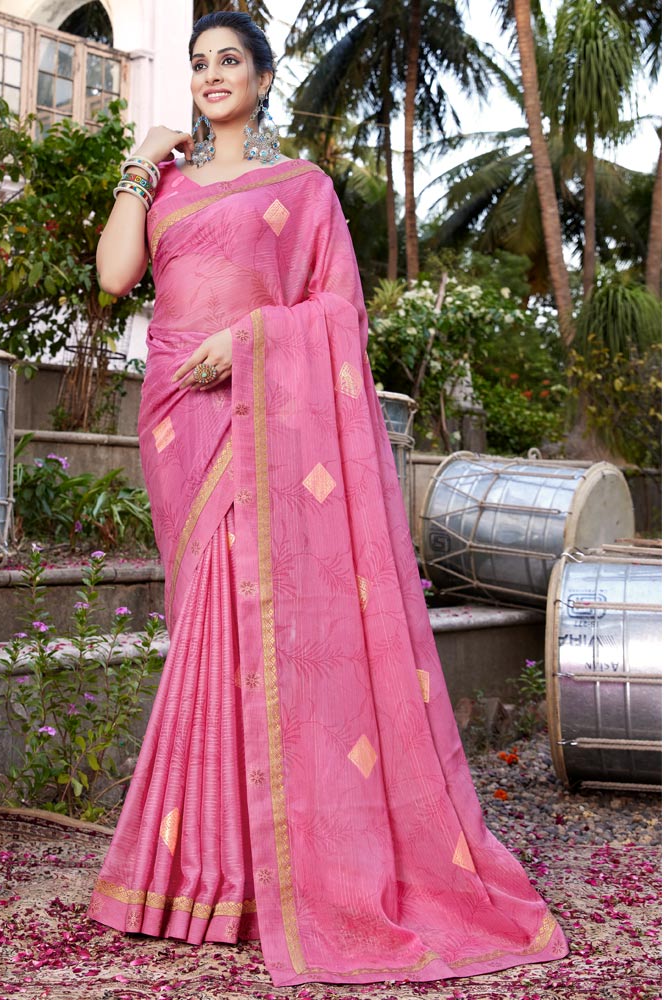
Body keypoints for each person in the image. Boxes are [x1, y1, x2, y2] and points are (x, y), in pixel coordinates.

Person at [88, 11, 568, 988]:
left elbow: (338, 312)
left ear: (263, 79)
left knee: (244, 626)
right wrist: (139, 161)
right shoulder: (166, 183)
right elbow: (114, 276)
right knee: (202, 625)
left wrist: (251, 343)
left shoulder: (301, 189)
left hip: (258, 413)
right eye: (199, 63)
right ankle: (208, 871)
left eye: (230, 60)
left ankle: (242, 877)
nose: (212, 74)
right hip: (179, 418)